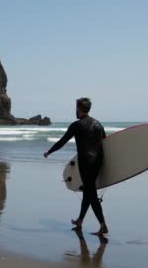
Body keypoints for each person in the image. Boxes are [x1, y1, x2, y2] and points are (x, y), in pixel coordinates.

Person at [43, 97, 109, 235]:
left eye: (76, 107)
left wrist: (49, 151)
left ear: (78, 108)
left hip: (86, 162)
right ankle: (80, 220)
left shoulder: (76, 125)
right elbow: (106, 143)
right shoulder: (98, 124)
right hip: (98, 162)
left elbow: (63, 141)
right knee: (88, 190)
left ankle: (103, 225)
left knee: (91, 194)